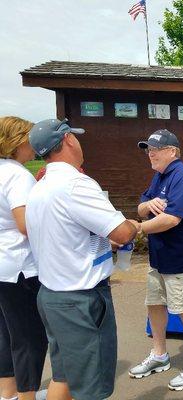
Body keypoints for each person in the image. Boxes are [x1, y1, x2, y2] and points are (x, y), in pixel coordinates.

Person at [25, 118, 139, 400]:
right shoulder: (76, 184)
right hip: (81, 300)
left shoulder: (40, 186)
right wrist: (134, 225)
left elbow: (66, 234)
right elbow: (123, 233)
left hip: (51, 294)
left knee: (63, 376)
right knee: (91, 387)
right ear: (68, 140)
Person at [129, 129, 183, 391]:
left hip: (179, 258)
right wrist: (147, 205)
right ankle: (160, 355)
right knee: (154, 305)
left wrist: (138, 228)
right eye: (147, 149)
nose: (149, 153)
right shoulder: (159, 176)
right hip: (159, 258)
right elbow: (141, 206)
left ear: (172, 151)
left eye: (155, 148)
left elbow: (172, 219)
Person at [0, 117, 48, 400]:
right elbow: (25, 224)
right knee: (30, 337)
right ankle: (27, 396)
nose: (33, 146)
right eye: (29, 140)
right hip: (20, 267)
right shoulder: (17, 175)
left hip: (2, 265)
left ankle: (8, 394)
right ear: (18, 142)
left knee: (6, 333)